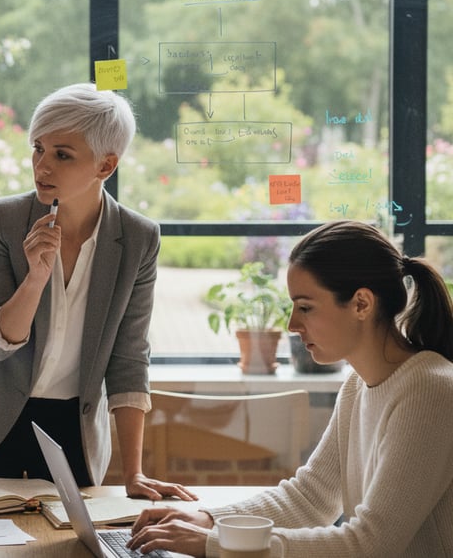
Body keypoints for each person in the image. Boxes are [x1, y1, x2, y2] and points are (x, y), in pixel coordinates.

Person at [0, 82, 195, 501]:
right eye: (38, 148)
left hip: (72, 426)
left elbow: (129, 356)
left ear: (106, 166)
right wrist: (35, 277)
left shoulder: (138, 238)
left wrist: (134, 474)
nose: (41, 166)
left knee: (66, 544)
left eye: (62, 154)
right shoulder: (2, 220)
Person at [127, 220, 453, 557]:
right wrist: (207, 520)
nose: (292, 325)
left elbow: (373, 544)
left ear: (361, 304)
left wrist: (220, 544)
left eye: (306, 307)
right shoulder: (358, 386)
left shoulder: (429, 390)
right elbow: (310, 498)